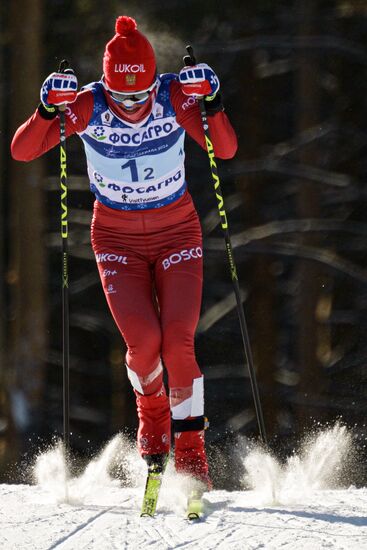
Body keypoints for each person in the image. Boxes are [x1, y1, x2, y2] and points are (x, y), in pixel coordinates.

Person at [11, 15, 238, 489]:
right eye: (121, 97)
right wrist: (48, 111)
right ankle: (152, 421)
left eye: (141, 95)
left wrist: (212, 103)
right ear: (106, 86)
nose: (132, 107)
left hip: (177, 232)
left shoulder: (174, 95)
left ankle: (192, 453)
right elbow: (22, 149)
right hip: (117, 241)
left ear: (155, 81)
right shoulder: (88, 104)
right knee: (142, 344)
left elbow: (227, 148)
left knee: (177, 340)